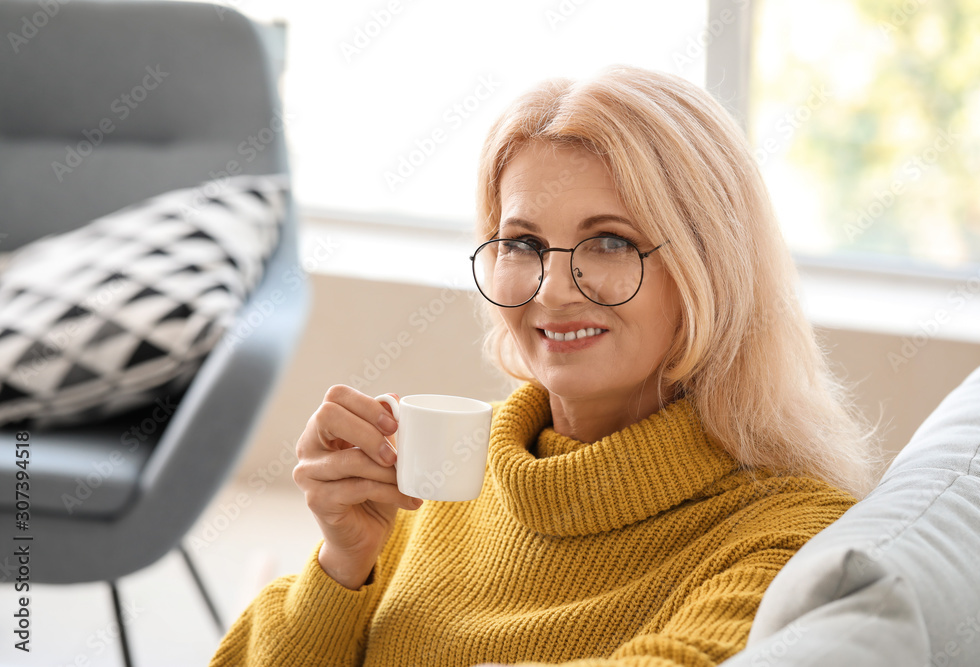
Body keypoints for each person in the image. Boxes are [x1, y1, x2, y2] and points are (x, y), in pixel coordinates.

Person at [210, 65, 879, 667]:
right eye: (523, 243)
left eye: (610, 241)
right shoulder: (438, 479)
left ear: (710, 270)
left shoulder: (789, 532)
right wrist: (341, 563)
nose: (553, 289)